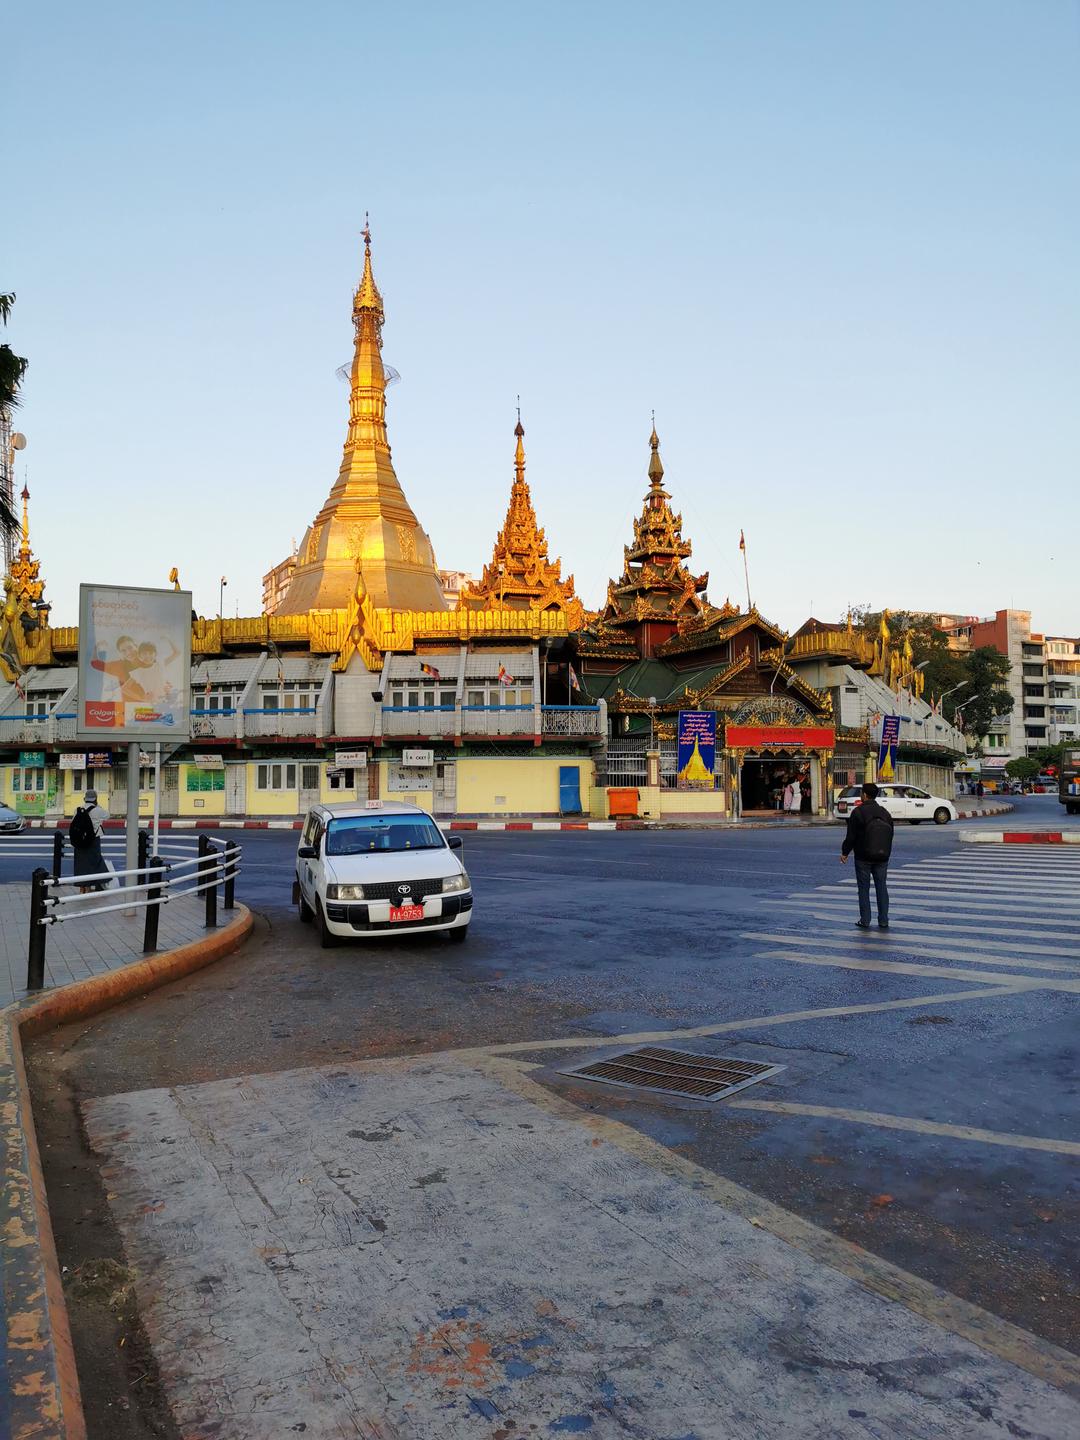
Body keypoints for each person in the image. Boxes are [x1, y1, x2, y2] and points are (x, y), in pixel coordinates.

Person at [840, 781, 894, 930]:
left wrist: (845, 853)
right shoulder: (884, 812)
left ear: (864, 795)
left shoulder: (857, 812)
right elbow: (890, 834)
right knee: (881, 887)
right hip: (882, 856)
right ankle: (883, 920)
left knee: (863, 888)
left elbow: (851, 837)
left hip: (863, 856)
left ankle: (865, 920)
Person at [70, 788, 108, 893]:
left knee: (81, 863)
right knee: (95, 862)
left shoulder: (77, 810)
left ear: (84, 799)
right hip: (93, 840)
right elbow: (107, 815)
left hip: (80, 841)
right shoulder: (98, 810)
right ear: (96, 799)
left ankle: (83, 887)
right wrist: (97, 805)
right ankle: (96, 884)